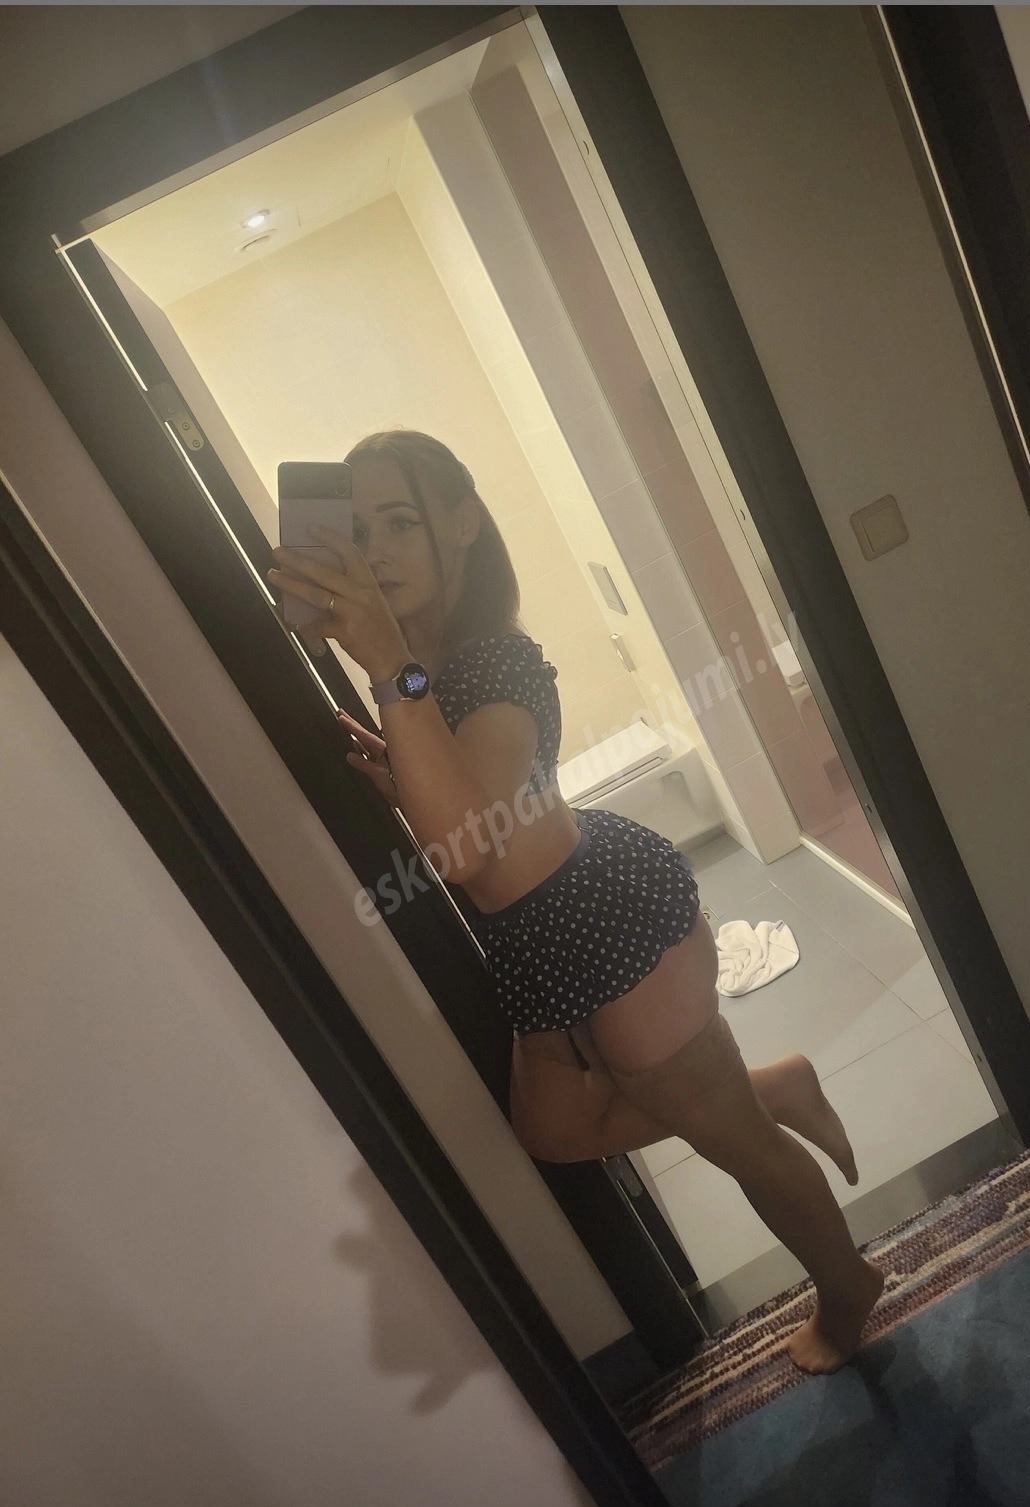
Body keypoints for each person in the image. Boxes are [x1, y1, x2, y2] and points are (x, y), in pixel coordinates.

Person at [268, 428, 884, 1373]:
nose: (376, 550)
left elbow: (469, 852)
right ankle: (770, 1087)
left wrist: (388, 666)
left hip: (607, 920)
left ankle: (848, 1289)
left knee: (741, 1148)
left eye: (400, 522)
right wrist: (409, 764)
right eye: (357, 530)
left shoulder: (491, 663)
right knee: (551, 1129)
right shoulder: (436, 663)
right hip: (544, 931)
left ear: (462, 524)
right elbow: (478, 802)